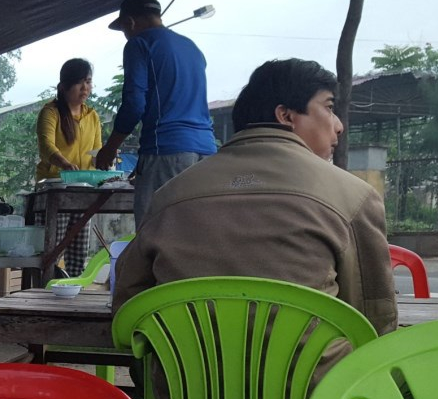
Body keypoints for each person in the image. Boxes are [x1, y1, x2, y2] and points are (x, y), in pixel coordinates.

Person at [112, 57, 397, 334]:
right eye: (329, 107)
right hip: (313, 368)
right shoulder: (353, 197)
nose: (339, 125)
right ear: (286, 116)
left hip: (183, 367)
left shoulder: (169, 195)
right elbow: (374, 317)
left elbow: (128, 300)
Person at [94, 0, 218, 226]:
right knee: (196, 232)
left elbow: (134, 104)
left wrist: (110, 148)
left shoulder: (139, 43)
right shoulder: (192, 48)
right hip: (207, 152)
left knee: (155, 233)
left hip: (167, 148)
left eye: (124, 29)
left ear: (130, 22)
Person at [35, 58, 103, 275]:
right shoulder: (51, 112)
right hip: (55, 189)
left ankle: (75, 289)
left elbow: (97, 152)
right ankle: (46, 289)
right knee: (52, 251)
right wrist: (64, 163)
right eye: (79, 82)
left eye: (88, 82)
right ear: (64, 86)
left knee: (78, 254)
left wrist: (104, 158)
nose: (85, 88)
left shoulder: (92, 116)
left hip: (84, 191)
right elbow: (46, 146)